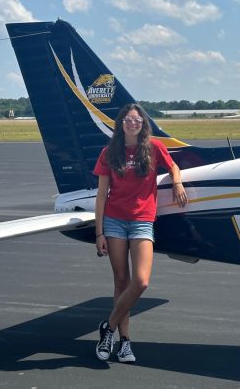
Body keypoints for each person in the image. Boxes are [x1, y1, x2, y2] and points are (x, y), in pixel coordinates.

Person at [93, 103, 187, 362]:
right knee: (121, 282)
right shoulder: (109, 153)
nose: (132, 123)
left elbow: (173, 167)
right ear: (120, 123)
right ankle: (124, 343)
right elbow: (101, 195)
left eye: (137, 120)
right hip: (114, 221)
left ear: (143, 124)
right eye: (128, 119)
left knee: (141, 281)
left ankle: (108, 327)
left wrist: (177, 183)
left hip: (142, 220)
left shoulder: (154, 147)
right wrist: (99, 233)